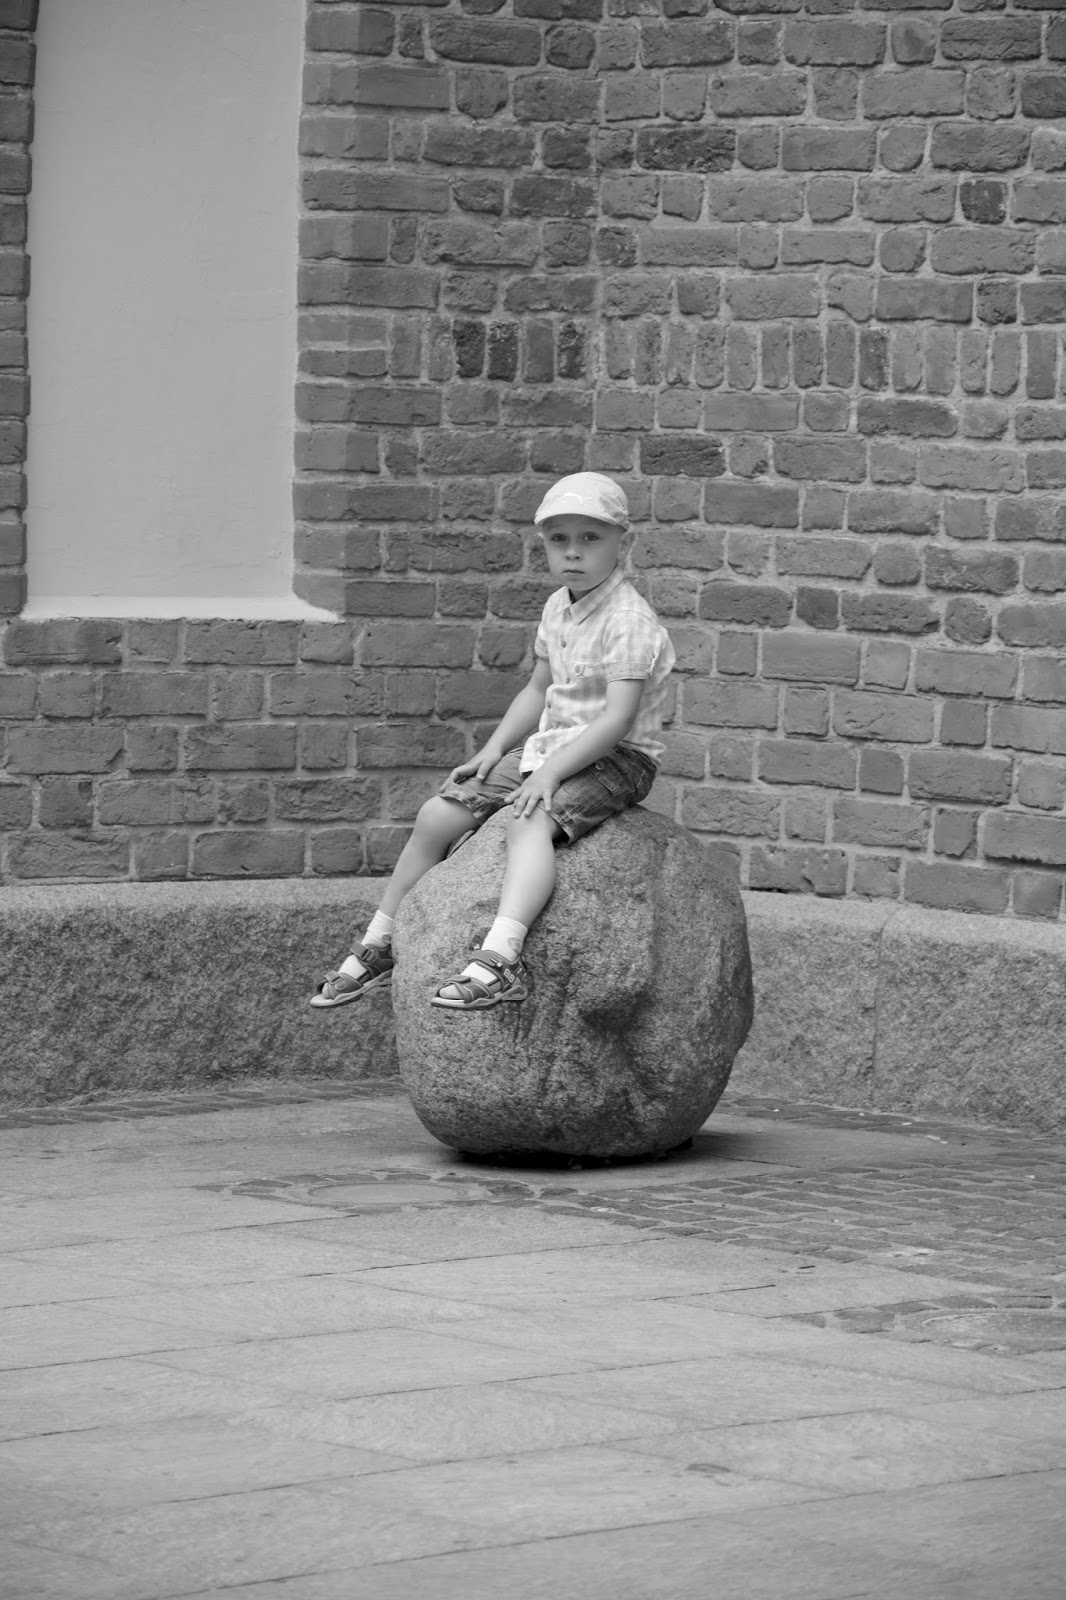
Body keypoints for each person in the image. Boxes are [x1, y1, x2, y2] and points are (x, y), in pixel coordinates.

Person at [310, 471, 676, 1013]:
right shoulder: (558, 606)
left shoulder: (627, 620)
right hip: (549, 747)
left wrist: (549, 774)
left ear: (624, 543)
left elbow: (617, 720)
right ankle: (382, 940)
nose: (573, 552)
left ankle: (501, 959)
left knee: (527, 821)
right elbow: (537, 688)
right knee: (438, 814)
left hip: (616, 758)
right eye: (559, 540)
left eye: (590, 538)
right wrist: (493, 750)